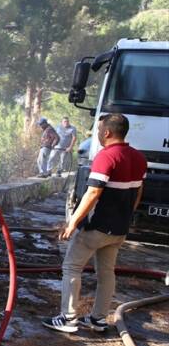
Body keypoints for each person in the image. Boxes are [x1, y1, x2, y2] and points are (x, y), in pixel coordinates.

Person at [44, 113, 147, 333]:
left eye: (99, 130)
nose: (98, 134)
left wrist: (72, 222)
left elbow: (92, 192)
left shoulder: (106, 156)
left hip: (97, 227)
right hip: (119, 229)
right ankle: (98, 319)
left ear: (108, 132)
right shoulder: (138, 157)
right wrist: (126, 216)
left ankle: (68, 318)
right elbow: (138, 191)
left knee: (71, 267)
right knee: (107, 273)